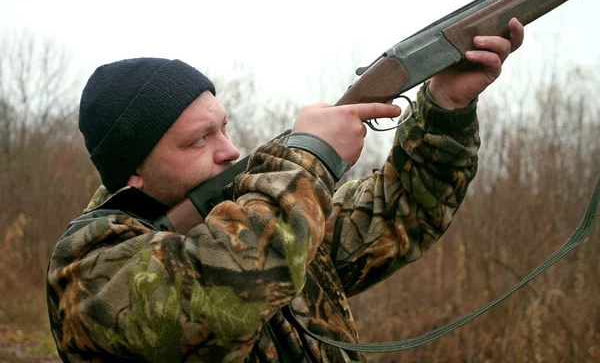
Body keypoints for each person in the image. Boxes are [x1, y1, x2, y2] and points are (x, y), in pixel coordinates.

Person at [46, 19, 525, 362]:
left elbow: (400, 213)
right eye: (199, 140)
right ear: (133, 175)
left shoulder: (260, 219)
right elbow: (230, 289)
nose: (230, 152)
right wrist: (311, 156)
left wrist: (446, 106)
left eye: (223, 128)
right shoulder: (92, 268)